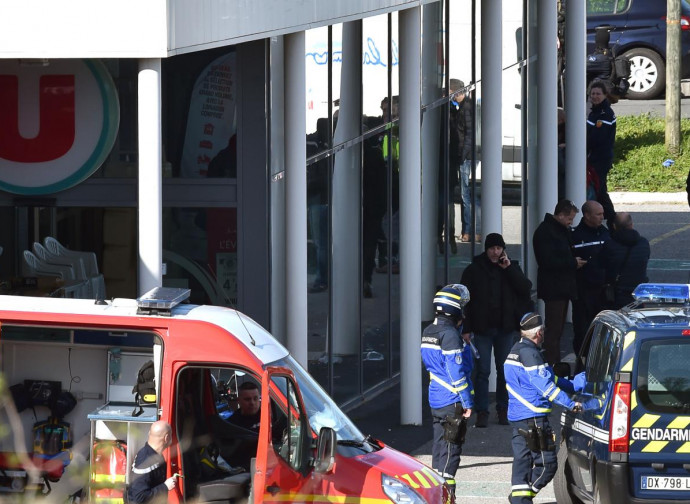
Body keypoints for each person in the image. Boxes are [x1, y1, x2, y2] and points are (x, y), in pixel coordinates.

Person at [504, 312, 583, 504]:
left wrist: (573, 384)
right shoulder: (531, 355)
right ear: (539, 333)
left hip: (518, 418)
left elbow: (551, 378)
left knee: (522, 462)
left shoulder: (517, 349)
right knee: (547, 464)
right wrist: (570, 404)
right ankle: (521, 498)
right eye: (544, 331)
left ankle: (519, 498)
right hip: (533, 419)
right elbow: (546, 387)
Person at [460, 233, 532, 427]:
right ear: (486, 249)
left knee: (504, 370)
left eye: (498, 248)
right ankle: (482, 410)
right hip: (482, 328)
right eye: (492, 248)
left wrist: (509, 269)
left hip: (505, 328)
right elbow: (464, 302)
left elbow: (525, 288)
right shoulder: (474, 270)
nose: (495, 252)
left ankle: (503, 408)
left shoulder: (510, 267)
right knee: (482, 371)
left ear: (503, 249)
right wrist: (466, 329)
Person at [421, 284, 474, 493]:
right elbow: (456, 371)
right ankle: (446, 495)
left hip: (436, 397)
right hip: (452, 399)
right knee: (452, 449)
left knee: (439, 446)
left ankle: (435, 491)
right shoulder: (450, 335)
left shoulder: (429, 331)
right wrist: (467, 402)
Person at [533, 199, 586, 366]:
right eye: (570, 218)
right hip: (555, 287)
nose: (571, 222)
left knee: (557, 329)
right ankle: (552, 366)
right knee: (554, 330)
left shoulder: (556, 229)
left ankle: (554, 364)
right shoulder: (546, 232)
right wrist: (572, 263)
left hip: (560, 286)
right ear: (561, 215)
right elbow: (547, 261)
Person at [438, 78, 474, 253]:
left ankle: (447, 236)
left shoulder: (458, 108)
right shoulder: (452, 109)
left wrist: (462, 155)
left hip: (452, 158)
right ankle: (449, 236)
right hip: (452, 159)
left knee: (457, 197)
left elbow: (467, 133)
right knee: (450, 199)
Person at [571, 201, 609, 356]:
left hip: (603, 291)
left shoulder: (605, 233)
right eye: (598, 214)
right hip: (583, 293)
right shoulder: (575, 236)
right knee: (583, 331)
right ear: (586, 215)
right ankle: (583, 363)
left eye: (602, 213)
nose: (602, 217)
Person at [448, 80, 479, 244]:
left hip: (466, 156)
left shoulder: (466, 107)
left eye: (449, 92)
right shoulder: (463, 106)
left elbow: (469, 133)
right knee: (466, 194)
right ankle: (471, 230)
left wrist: (463, 155)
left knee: (466, 195)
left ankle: (469, 231)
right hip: (466, 155)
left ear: (455, 92)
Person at [601, 212, 650, 309]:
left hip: (617, 292)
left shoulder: (609, 245)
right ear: (631, 225)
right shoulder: (643, 243)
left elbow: (602, 265)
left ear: (614, 226)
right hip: (638, 291)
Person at [587, 80, 617, 223]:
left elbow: (596, 138)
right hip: (595, 158)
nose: (595, 96)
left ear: (605, 95)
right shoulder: (595, 112)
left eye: (598, 93)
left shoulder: (604, 114)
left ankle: (612, 221)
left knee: (599, 191)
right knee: (600, 190)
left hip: (600, 159)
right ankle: (611, 221)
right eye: (593, 93)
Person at [128, 420, 178, 504]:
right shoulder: (145, 459)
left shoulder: (155, 455)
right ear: (166, 438)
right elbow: (139, 497)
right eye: (171, 434)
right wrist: (165, 487)